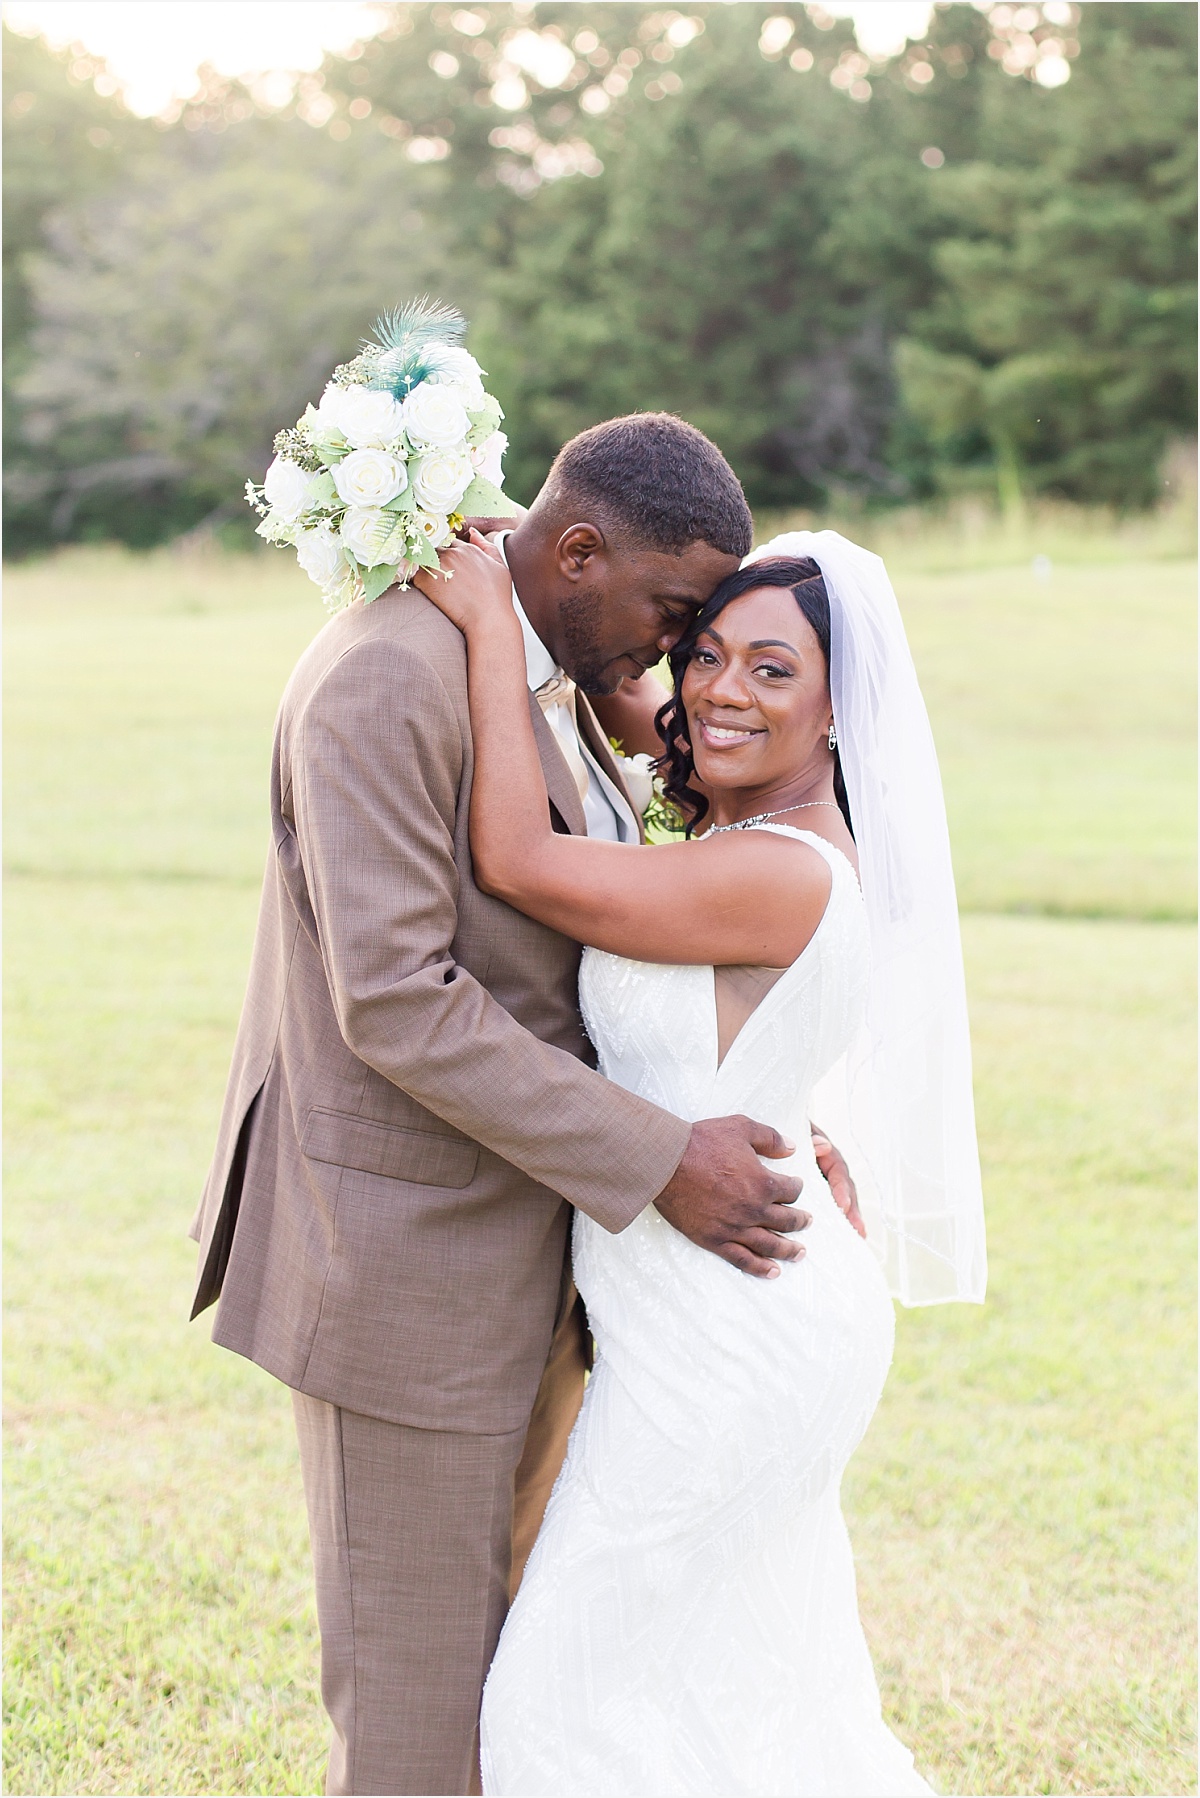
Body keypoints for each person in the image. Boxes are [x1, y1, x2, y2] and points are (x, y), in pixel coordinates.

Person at [188, 414, 861, 1797]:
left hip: (549, 1271)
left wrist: (763, 1098)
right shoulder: (395, 675)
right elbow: (398, 998)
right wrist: (661, 1152)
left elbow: (598, 941)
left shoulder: (540, 659)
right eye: (679, 616)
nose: (682, 657)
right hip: (410, 1279)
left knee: (528, 1715)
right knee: (421, 1733)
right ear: (573, 551)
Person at [414, 526, 987, 1796]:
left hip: (732, 1344)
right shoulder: (767, 835)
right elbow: (630, 697)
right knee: (724, 1693)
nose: (723, 690)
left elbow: (514, 858)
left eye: (774, 672)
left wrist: (489, 630)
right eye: (707, 653)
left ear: (844, 708)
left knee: (561, 1698)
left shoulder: (772, 873)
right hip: (723, 1312)